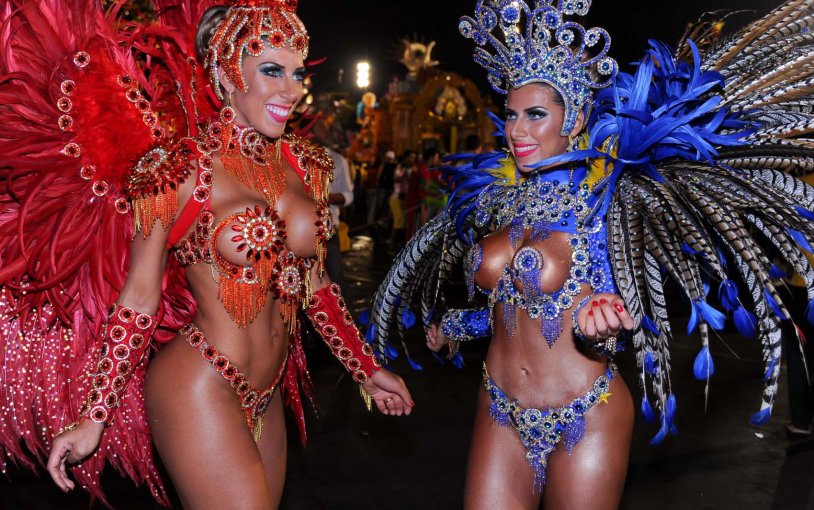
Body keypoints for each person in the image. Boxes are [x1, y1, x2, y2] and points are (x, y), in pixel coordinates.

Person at [372, 1, 814, 509]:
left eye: (536, 114)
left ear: (576, 116)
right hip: (498, 408)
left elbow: (596, 311)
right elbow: (515, 310)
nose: (517, 129)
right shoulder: (505, 199)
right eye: (512, 114)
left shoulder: (605, 203)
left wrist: (597, 323)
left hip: (585, 415)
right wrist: (458, 326)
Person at [0, 1, 413, 508]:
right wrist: (95, 414)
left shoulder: (306, 165)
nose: (292, 89)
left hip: (268, 392)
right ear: (225, 73)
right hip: (200, 383)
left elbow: (314, 283)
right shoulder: (175, 172)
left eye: (297, 73)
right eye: (271, 71)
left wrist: (365, 367)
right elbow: (139, 297)